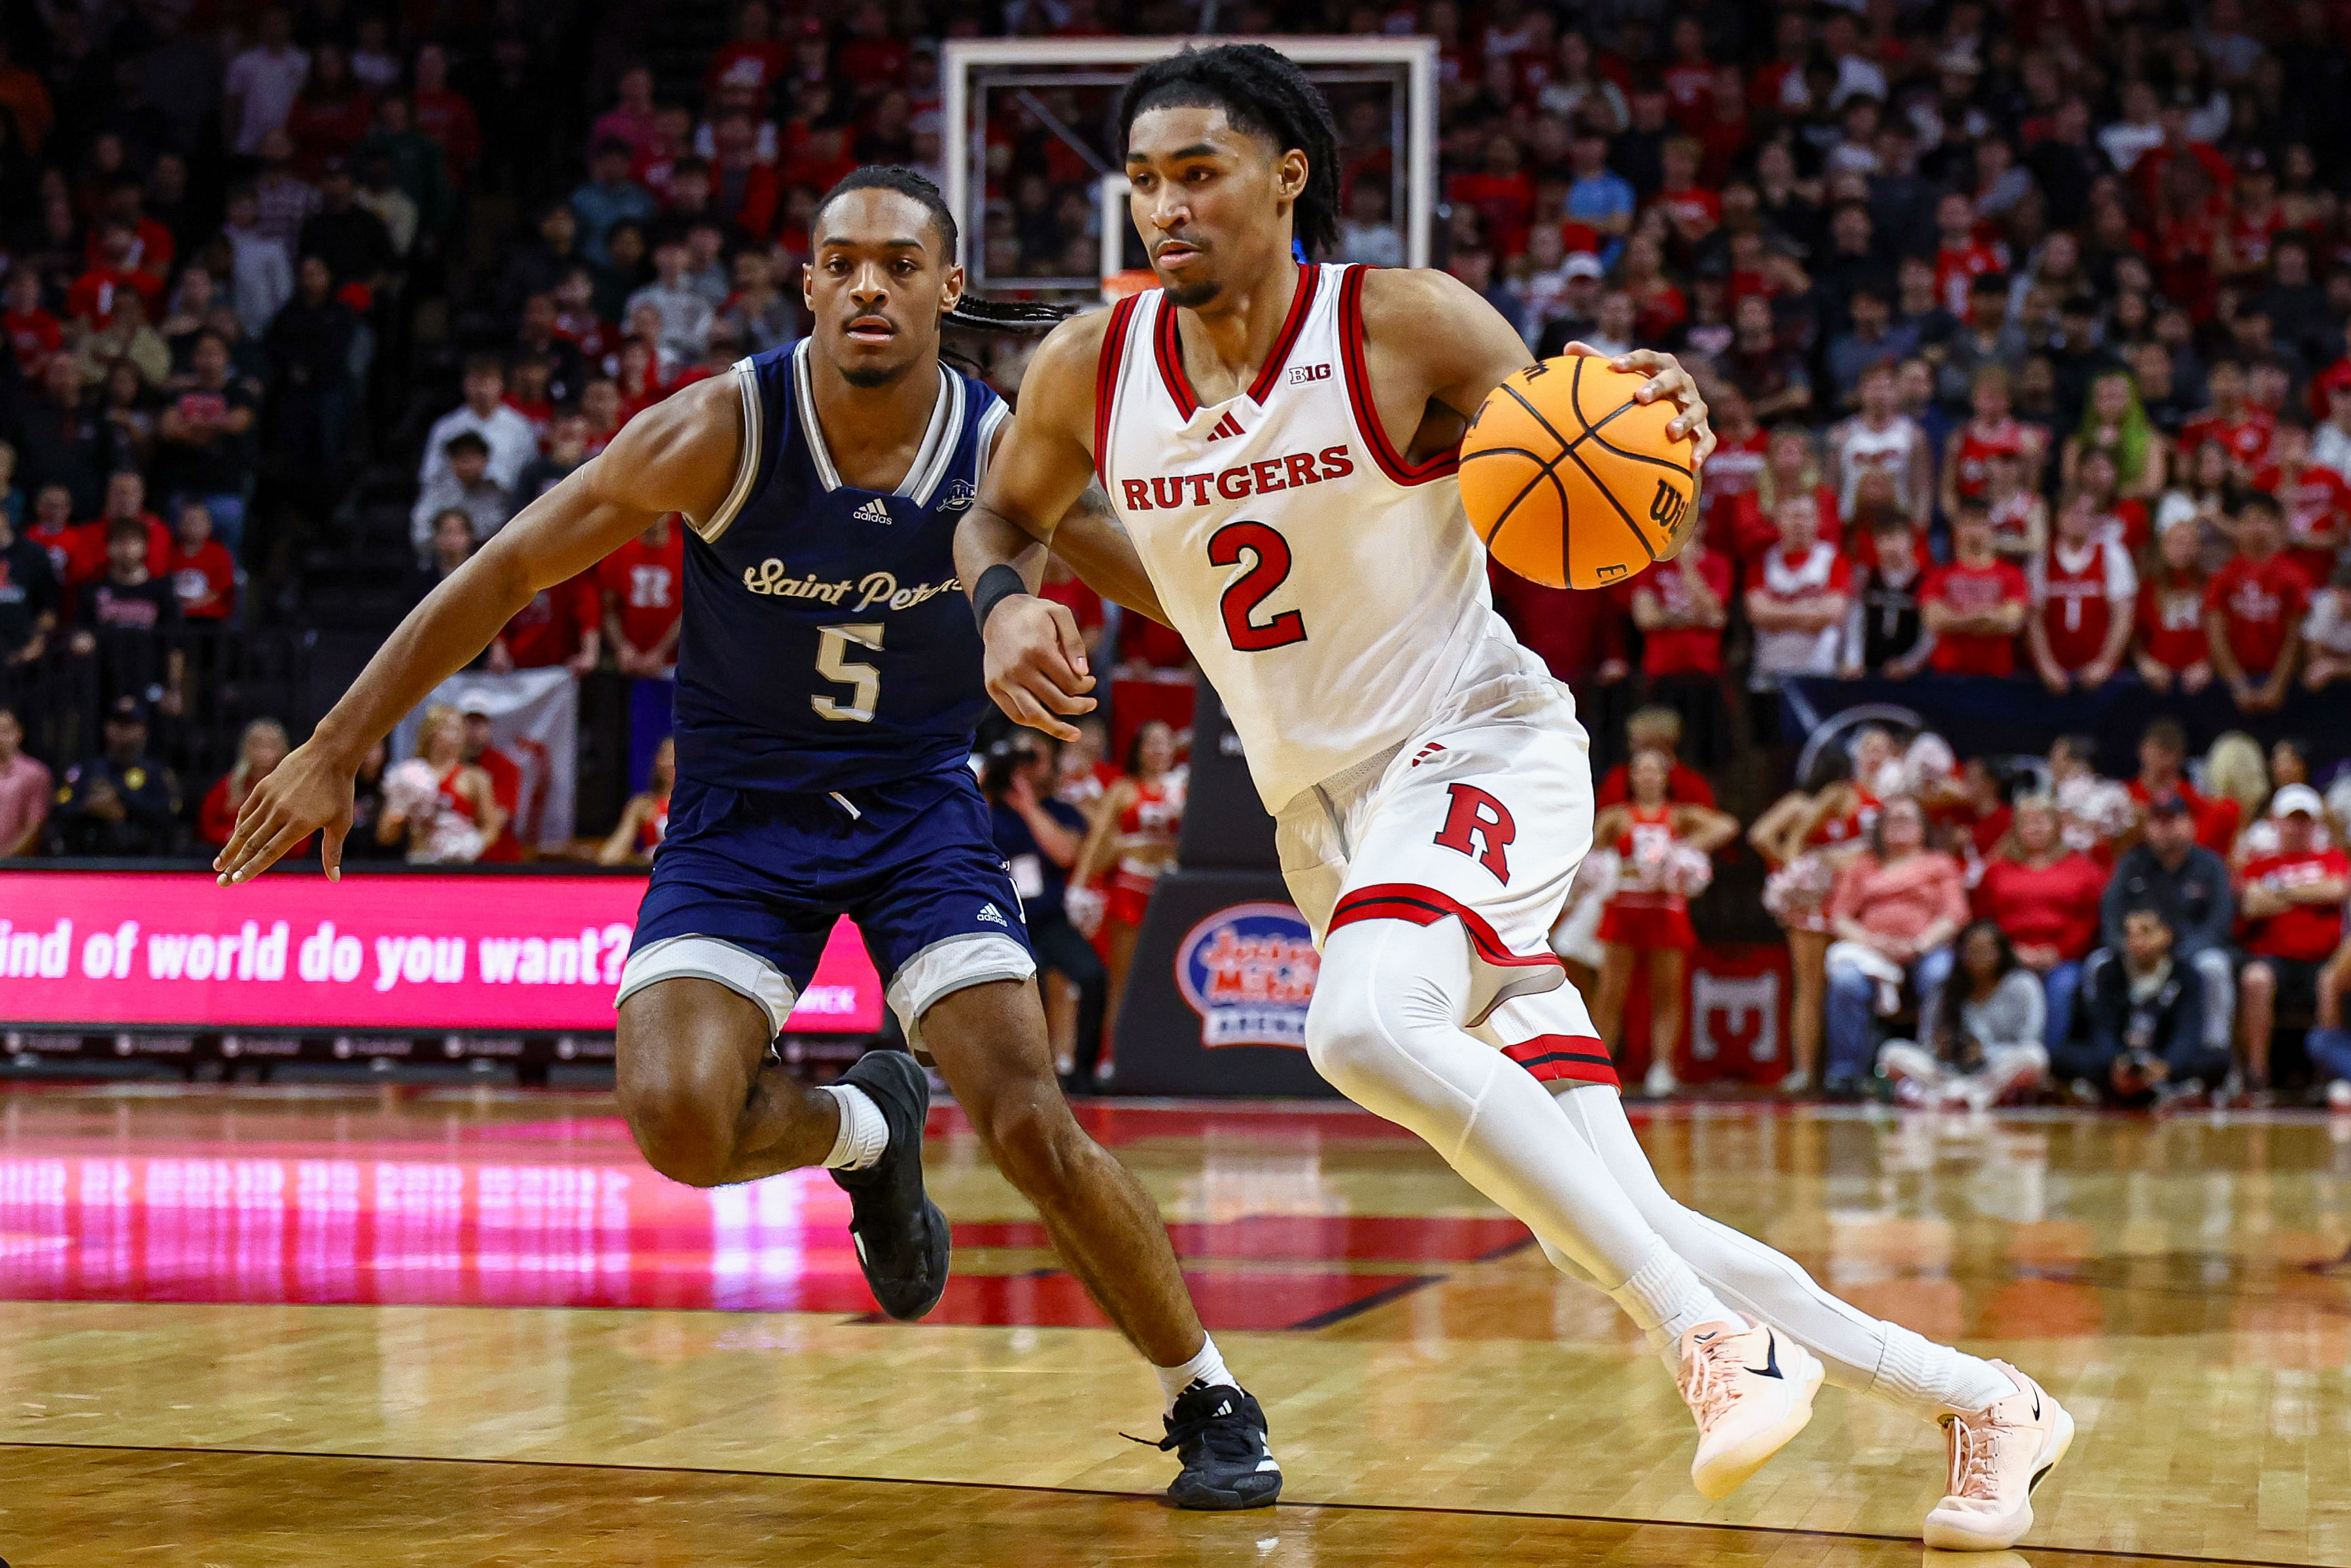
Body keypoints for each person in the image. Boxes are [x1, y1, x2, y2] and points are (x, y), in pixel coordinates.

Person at [957, 43, 2068, 1547]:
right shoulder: (1094, 361)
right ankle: (1986, 1402)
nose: (1162, 202)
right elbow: (1003, 515)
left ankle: (1715, 1344)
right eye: (1144, 177)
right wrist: (1005, 603)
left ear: (1290, 175)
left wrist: (1643, 412)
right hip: (1323, 823)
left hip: (1479, 748)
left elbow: (1582, 429)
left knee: (1357, 1023)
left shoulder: (1402, 324)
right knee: (1616, 1217)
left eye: (1197, 169)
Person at [213, 166, 1283, 1510]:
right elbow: (504, 570)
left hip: (918, 806)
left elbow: (1189, 598)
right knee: (677, 1119)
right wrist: (335, 744)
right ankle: (864, 1131)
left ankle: (1209, 1389)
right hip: (737, 814)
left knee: (1027, 1115)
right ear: (810, 285)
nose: (871, 285)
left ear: (951, 290)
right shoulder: (724, 426)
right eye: (843, 262)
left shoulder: (1010, 451)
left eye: (902, 263)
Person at [1589, 747, 1737, 1098]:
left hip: (1665, 912)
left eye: (1656, 771)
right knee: (1611, 992)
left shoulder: (1679, 817)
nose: (1648, 777)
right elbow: (1590, 855)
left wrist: (1682, 850)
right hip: (1624, 909)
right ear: (1632, 777)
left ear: (1666, 778)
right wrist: (1616, 869)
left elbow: (1727, 826)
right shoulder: (1617, 817)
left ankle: (1663, 1068)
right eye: (1641, 770)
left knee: (1667, 993)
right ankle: (1598, 1066)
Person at [1821, 795, 1969, 1094]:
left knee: (1940, 974)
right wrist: (1871, 942)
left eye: (1906, 820)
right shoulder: (1863, 865)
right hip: (1871, 952)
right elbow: (1840, 917)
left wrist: (1919, 944)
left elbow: (1955, 914)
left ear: (1923, 828)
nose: (1899, 826)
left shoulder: (1939, 864)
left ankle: (1928, 1068)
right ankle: (1846, 1074)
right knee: (1845, 980)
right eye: (1892, 820)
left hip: (1925, 950)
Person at [983, 735, 1106, 1085]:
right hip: (1002, 921)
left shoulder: (1060, 810)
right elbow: (959, 834)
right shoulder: (988, 808)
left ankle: (1082, 1072)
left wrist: (1028, 807)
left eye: (1033, 756)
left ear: (1050, 763)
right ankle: (1017, 1074)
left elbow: (1066, 854)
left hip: (1048, 919)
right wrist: (985, 783)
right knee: (1022, 977)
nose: (1023, 764)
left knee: (1093, 976)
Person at [1752, 746, 1876, 1095]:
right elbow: (1765, 836)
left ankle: (1827, 1069)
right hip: (1817, 902)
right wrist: (1802, 872)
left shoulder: (1865, 800)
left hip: (1849, 900)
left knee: (1832, 987)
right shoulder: (1817, 801)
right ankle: (1808, 1070)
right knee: (1812, 989)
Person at [1070, 719, 1185, 1087]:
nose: (1159, 750)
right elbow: (1099, 838)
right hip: (1131, 888)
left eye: (1166, 743)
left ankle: (1162, 1054)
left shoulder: (1185, 788)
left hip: (1171, 892)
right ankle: (1112, 1054)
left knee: (1169, 976)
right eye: (1151, 743)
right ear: (1138, 748)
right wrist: (1079, 884)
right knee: (1124, 978)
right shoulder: (1123, 789)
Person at [2093, 792, 2237, 1068]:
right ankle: (2109, 1057)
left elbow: (2219, 924)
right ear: (2147, 826)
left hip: (2190, 953)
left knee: (2214, 966)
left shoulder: (2209, 866)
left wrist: (2174, 955)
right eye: (2157, 820)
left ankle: (2214, 1054)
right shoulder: (2132, 863)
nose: (2165, 828)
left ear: (2189, 824)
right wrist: (2126, 945)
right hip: (2137, 953)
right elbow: (2111, 915)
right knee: (2097, 964)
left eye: (2172, 820)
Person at [2234, 783, 2348, 1099]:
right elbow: (2252, 905)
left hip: (2323, 958)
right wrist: (2308, 894)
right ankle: (2258, 1076)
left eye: (2304, 820)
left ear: (2314, 824)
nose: (2297, 827)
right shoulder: (2259, 863)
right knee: (2255, 979)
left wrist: (2280, 891)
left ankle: (2329, 1077)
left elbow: (2337, 889)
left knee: (2331, 980)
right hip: (2275, 958)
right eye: (2291, 819)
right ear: (2276, 822)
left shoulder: (2331, 857)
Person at [1973, 794, 2106, 1049]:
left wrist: (2058, 952)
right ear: (2016, 829)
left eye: (2043, 821)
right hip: (2007, 958)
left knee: (2063, 987)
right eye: (2028, 822)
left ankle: (2047, 1062)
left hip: (2062, 959)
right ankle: (1999, 1059)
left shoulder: (2082, 868)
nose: (2035, 828)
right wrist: (2010, 953)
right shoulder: (1996, 870)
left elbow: (2090, 919)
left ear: (2057, 826)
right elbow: (1983, 921)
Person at [1879, 920, 2050, 1111]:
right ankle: (1964, 1097)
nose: (1978, 957)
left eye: (1985, 951)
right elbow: (1925, 1040)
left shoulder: (2023, 984)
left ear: (2001, 952)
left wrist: (1985, 1051)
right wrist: (1939, 1048)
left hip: (1994, 1071)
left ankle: (1950, 1098)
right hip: (1947, 1071)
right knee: (1890, 1053)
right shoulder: (1945, 989)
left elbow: (2031, 1039)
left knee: (2035, 1057)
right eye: (1972, 951)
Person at [2061, 907, 2220, 1106]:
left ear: (2167, 935)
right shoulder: (2110, 971)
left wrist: (2167, 1065)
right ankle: (2113, 1087)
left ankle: (2173, 1089)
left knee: (2218, 1058)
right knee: (2063, 1055)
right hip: (2121, 1058)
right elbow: (2103, 1027)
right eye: (2129, 933)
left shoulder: (2186, 975)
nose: (2136, 940)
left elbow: (2188, 1030)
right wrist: (2115, 1062)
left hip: (2162, 1055)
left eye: (2145, 932)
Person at [2204, 491, 2309, 712]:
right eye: (2248, 521)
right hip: (2233, 682)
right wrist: (2237, 684)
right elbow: (2216, 634)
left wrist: (2277, 686)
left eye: (2262, 520)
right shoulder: (2224, 576)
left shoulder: (2294, 576)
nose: (2255, 528)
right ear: (2238, 527)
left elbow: (2295, 638)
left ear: (2276, 527)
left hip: (2282, 683)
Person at [50, 695, 181, 857]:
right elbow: (61, 810)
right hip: (88, 860)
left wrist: (122, 807)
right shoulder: (87, 770)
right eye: (118, 724)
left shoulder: (156, 773)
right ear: (107, 728)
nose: (122, 731)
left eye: (130, 724)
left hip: (141, 862)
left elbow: (168, 817)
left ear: (144, 731)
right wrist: (89, 807)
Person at [198, 718, 294, 848]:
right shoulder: (229, 785)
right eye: (257, 745)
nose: (264, 752)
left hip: (281, 862)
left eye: (271, 745)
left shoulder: (292, 788)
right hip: (232, 856)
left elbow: (302, 834)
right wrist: (229, 836)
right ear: (246, 747)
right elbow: (206, 825)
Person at [598, 734, 672, 866]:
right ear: (657, 760)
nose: (670, 762)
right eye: (666, 756)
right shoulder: (643, 805)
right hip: (651, 874)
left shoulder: (700, 806)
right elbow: (611, 856)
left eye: (676, 756)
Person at [0, 705, 51, 857]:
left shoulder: (34, 773)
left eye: (5, 731)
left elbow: (35, 826)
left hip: (18, 866)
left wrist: (7, 859)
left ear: (19, 733)